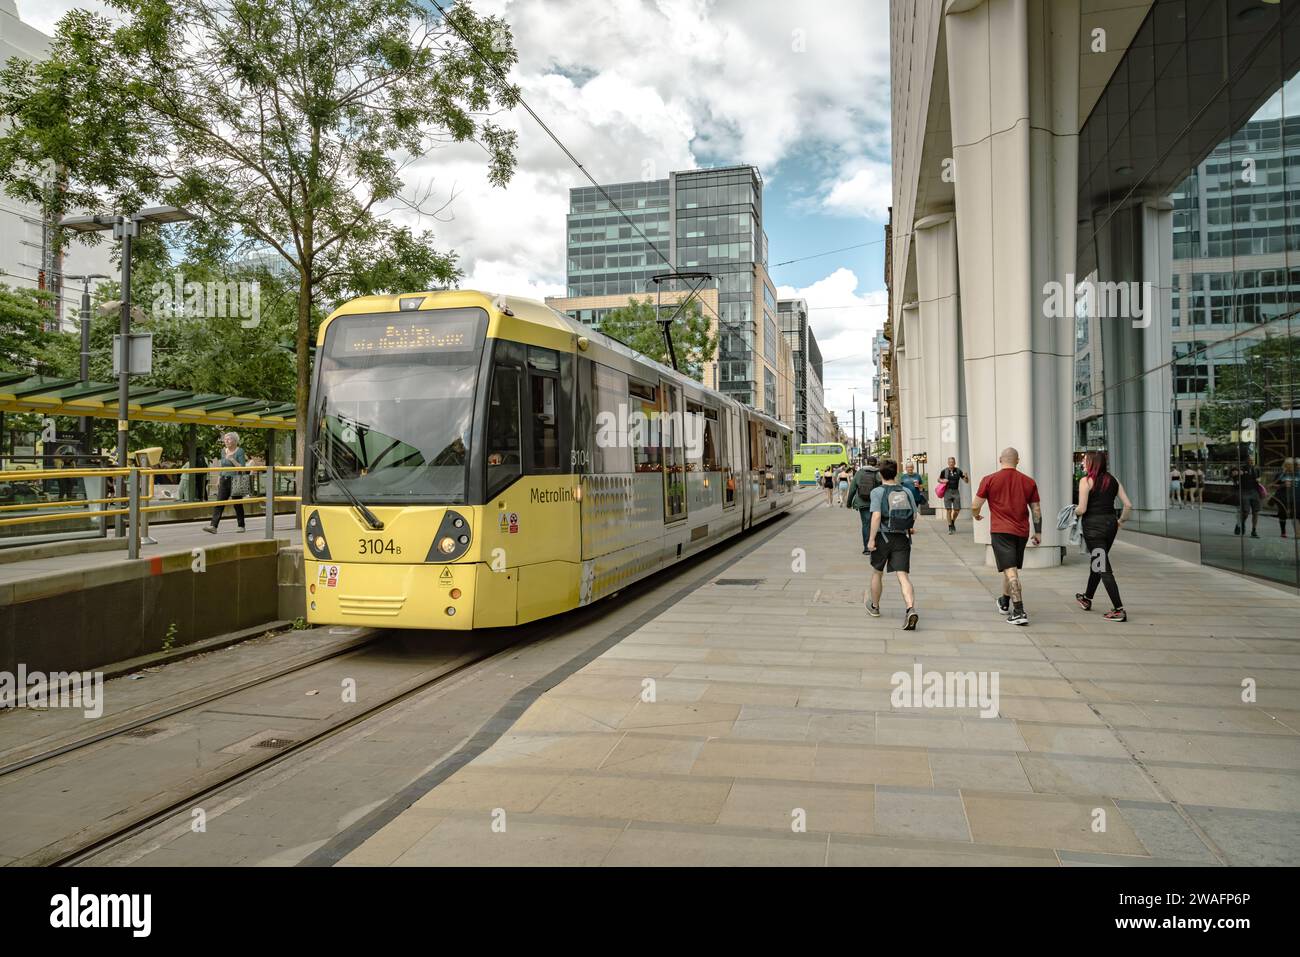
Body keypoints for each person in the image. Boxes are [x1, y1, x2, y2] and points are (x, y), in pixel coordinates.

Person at [971, 447, 1042, 626]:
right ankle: (1004, 601)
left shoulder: (989, 480)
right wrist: (1039, 532)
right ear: (1017, 461)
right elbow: (1036, 510)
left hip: (1001, 531)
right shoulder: (1029, 482)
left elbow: (975, 505)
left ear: (1000, 459)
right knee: (1009, 568)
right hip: (1021, 532)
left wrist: (976, 514)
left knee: (1010, 571)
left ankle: (1019, 610)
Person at [1074, 450, 1132, 622]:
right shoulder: (1113, 480)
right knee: (1098, 562)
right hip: (1110, 525)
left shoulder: (1085, 481)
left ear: (1093, 463)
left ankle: (1118, 609)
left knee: (1102, 566)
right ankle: (1087, 598)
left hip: (1094, 529)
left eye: (1085, 461)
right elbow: (1128, 505)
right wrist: (1120, 521)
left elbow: (1082, 509)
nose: (1083, 463)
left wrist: (1072, 510)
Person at [865, 459, 919, 630]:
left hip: (883, 537)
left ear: (880, 474)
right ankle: (910, 608)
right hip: (902, 537)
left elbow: (876, 516)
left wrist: (871, 539)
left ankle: (874, 606)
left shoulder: (877, 492)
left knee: (877, 572)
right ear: (896, 473)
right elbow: (914, 515)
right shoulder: (906, 491)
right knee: (903, 576)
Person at [205, 431, 247, 534]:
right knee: (219, 502)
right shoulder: (223, 451)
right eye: (225, 439)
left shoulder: (240, 451)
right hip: (224, 479)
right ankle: (213, 526)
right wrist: (219, 477)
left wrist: (232, 459)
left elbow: (242, 468)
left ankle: (241, 525)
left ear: (235, 440)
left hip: (236, 480)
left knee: (237, 503)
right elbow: (222, 465)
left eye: (229, 439)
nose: (226, 441)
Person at [849, 456, 883, 553]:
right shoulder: (878, 473)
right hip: (876, 502)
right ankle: (875, 544)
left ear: (867, 462)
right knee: (877, 523)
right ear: (876, 463)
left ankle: (867, 548)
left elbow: (852, 488)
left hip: (862, 502)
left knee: (866, 525)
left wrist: (849, 502)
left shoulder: (859, 473)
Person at [1231, 455, 1261, 538]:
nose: (1251, 462)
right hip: (1244, 492)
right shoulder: (1241, 469)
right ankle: (1240, 524)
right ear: (1246, 461)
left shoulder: (1256, 469)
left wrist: (1259, 480)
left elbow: (1259, 478)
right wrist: (1236, 473)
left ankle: (1254, 530)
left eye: (1252, 460)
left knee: (1256, 512)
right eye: (1250, 460)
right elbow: (1233, 474)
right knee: (1246, 512)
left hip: (1254, 491)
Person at [937, 456, 968, 533]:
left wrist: (966, 477)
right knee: (949, 510)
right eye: (950, 462)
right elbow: (938, 479)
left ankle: (952, 521)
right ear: (948, 463)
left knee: (957, 510)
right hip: (947, 492)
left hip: (956, 491)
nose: (951, 463)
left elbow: (966, 481)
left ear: (955, 463)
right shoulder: (944, 471)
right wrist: (943, 481)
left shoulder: (958, 471)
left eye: (952, 462)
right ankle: (950, 526)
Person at [1273, 458, 1299, 539]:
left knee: (1296, 515)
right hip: (1282, 498)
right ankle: (1283, 532)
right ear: (1285, 465)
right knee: (1282, 514)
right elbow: (1273, 485)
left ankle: (1297, 533)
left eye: (1291, 465)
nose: (1290, 467)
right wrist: (1283, 485)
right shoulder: (1281, 474)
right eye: (1288, 465)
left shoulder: (1297, 474)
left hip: (1295, 498)